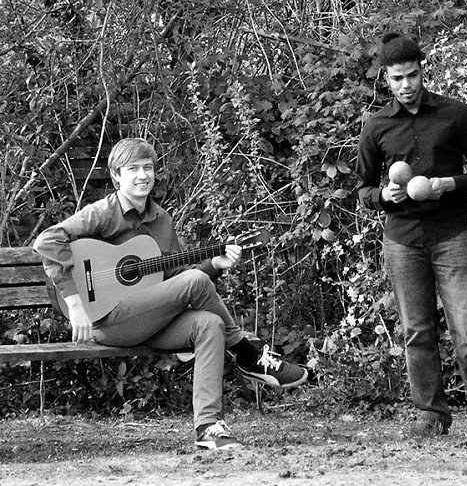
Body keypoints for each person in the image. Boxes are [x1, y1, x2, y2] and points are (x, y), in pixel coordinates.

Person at [34, 137, 309, 450]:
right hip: (108, 320)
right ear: (116, 176)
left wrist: (215, 265)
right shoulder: (103, 213)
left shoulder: (161, 220)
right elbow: (47, 241)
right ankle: (247, 353)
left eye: (148, 168)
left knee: (208, 324)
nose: (142, 175)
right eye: (133, 169)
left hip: (150, 319)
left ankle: (209, 429)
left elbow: (178, 282)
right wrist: (75, 304)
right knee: (195, 283)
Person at [355, 32, 467, 437]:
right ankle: (431, 415)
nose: (406, 85)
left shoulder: (455, 115)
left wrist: (448, 185)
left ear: (424, 71)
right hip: (402, 240)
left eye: (413, 75)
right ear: (385, 79)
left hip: (451, 235)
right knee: (416, 331)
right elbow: (363, 189)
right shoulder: (376, 127)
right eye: (397, 78)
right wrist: (383, 195)